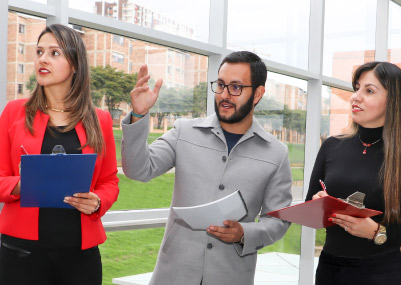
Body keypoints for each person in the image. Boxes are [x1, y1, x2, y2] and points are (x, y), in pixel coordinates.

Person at [121, 51, 292, 284]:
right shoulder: (184, 131)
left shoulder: (276, 153)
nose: (224, 95)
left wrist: (245, 233)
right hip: (173, 274)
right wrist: (139, 115)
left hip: (231, 276)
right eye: (220, 85)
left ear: (258, 93)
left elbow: (278, 220)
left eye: (235, 87)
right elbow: (138, 169)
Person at [0, 24, 119, 285]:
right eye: (39, 51)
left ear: (75, 64)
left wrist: (98, 202)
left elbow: (110, 181)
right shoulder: (14, 112)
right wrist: (24, 184)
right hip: (22, 254)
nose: (42, 59)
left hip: (81, 256)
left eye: (55, 53)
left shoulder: (100, 119)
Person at [305, 61, 401, 284]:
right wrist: (319, 203)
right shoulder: (331, 146)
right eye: (356, 88)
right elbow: (310, 205)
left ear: (392, 101)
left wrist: (378, 232)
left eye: (369, 90)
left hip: (383, 273)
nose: (356, 97)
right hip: (330, 269)